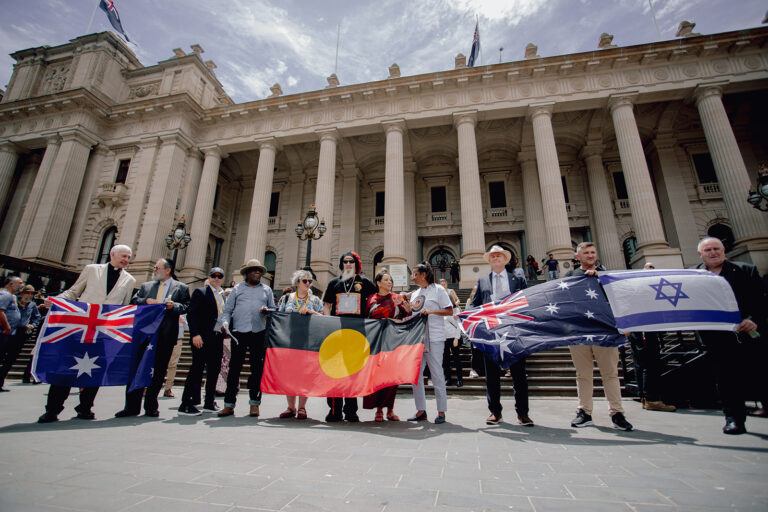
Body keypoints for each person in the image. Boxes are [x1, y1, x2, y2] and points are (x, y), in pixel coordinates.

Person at [37, 245, 137, 423]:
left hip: (103, 332)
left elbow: (125, 307)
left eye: (129, 257)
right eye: (123, 256)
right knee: (66, 368)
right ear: (112, 254)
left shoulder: (129, 279)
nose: (126, 260)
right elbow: (73, 292)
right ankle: (52, 409)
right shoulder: (92, 270)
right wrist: (56, 301)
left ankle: (85, 408)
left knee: (96, 370)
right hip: (80, 329)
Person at [696, 237, 765, 435]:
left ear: (724, 250)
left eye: (716, 248)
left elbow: (761, 300)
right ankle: (734, 418)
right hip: (717, 337)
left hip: (749, 332)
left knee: (760, 372)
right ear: (701, 254)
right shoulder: (692, 276)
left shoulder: (746, 271)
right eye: (707, 250)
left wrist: (754, 319)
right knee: (726, 378)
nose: (712, 252)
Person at [565, 241, 633, 431]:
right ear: (578, 256)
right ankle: (584, 412)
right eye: (586, 252)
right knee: (583, 374)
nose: (590, 255)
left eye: (593, 252)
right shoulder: (571, 276)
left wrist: (601, 278)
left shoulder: (608, 275)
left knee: (610, 373)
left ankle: (617, 413)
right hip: (580, 332)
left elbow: (621, 299)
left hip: (605, 331)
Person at [113, 258, 189, 418]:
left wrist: (173, 306)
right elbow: (134, 301)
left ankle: (151, 406)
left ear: (167, 270)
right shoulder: (146, 286)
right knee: (136, 369)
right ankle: (131, 407)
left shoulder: (181, 288)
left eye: (157, 267)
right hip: (144, 335)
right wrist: (146, 301)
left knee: (159, 371)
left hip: (165, 336)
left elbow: (186, 306)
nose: (154, 269)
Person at [472, 245, 533, 426]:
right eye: (493, 257)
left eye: (499, 256)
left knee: (519, 375)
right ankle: (495, 412)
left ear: (505, 260)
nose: (496, 259)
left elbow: (526, 303)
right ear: (489, 261)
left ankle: (523, 413)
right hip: (491, 333)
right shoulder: (483, 281)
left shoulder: (517, 279)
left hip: (513, 333)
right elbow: (475, 306)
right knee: (491, 375)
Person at [322, 251, 377, 422]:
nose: (348, 264)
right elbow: (327, 305)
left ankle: (351, 411)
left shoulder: (364, 282)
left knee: (352, 373)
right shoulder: (334, 283)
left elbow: (377, 299)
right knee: (335, 372)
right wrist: (327, 324)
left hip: (357, 334)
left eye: (351, 261)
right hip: (337, 333)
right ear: (341, 264)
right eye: (345, 261)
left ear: (356, 264)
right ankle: (334, 410)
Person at [217, 259, 274, 418]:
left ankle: (254, 404)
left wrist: (267, 310)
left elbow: (273, 310)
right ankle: (229, 404)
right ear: (247, 273)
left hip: (258, 332)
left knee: (257, 370)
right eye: (254, 270)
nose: (258, 272)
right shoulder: (237, 289)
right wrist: (226, 323)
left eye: (259, 270)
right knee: (234, 370)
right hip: (239, 333)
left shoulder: (267, 290)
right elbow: (227, 311)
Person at [626, 261, 676, 412]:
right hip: (644, 329)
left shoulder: (642, 289)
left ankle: (645, 396)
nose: (652, 271)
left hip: (643, 329)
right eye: (649, 269)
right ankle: (651, 399)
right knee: (649, 363)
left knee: (643, 363)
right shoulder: (642, 290)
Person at [408, 262, 453, 424]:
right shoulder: (415, 294)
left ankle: (441, 411)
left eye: (414, 274)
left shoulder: (438, 290)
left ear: (423, 275)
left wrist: (431, 311)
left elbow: (449, 310)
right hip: (418, 339)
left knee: (436, 374)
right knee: (416, 376)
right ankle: (421, 410)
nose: (412, 277)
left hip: (434, 337)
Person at [177, 268, 227, 416]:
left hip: (217, 336)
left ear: (223, 279)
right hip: (202, 337)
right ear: (209, 277)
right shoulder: (201, 292)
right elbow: (192, 315)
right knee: (196, 369)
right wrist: (195, 334)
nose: (216, 278)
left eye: (220, 276)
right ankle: (186, 403)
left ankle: (209, 402)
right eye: (214, 276)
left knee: (214, 370)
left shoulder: (222, 296)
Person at [363, 270, 411, 421]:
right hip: (376, 341)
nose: (390, 282)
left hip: (393, 341)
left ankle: (390, 409)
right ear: (378, 283)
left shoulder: (397, 298)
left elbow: (406, 315)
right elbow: (367, 318)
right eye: (386, 280)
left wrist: (409, 310)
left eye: (391, 280)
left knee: (392, 377)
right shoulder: (372, 298)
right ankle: (378, 410)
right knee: (378, 376)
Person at [277, 269, 324, 420]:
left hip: (308, 343)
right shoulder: (286, 299)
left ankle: (302, 407)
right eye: (305, 281)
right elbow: (279, 317)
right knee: (289, 375)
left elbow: (324, 319)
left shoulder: (315, 300)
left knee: (305, 375)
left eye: (310, 281)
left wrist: (312, 312)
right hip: (289, 341)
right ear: (297, 283)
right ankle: (290, 407)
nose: (308, 284)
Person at [0, 284, 40, 391]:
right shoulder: (13, 301)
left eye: (31, 294)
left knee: (11, 358)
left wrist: (33, 324)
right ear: (21, 293)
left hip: (22, 333)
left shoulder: (32, 305)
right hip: (10, 330)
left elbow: (37, 317)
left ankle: (0, 381)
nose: (29, 295)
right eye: (27, 293)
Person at [0, 276, 24, 392]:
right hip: (3, 332)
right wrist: (7, 327)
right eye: (20, 283)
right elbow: (0, 311)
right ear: (10, 284)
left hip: (10, 333)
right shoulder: (5, 295)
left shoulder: (13, 296)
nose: (21, 285)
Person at [163, 314, 186, 398]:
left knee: (173, 365)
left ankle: (168, 388)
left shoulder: (183, 316)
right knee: (159, 364)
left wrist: (184, 322)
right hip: (164, 340)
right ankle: (148, 387)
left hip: (178, 341)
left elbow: (188, 328)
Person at [443, 306, 463, 388]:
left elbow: (459, 324)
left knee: (456, 359)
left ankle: (459, 379)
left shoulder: (455, 310)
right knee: (445, 359)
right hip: (444, 337)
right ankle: (448, 379)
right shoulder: (440, 309)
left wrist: (456, 338)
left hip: (454, 337)